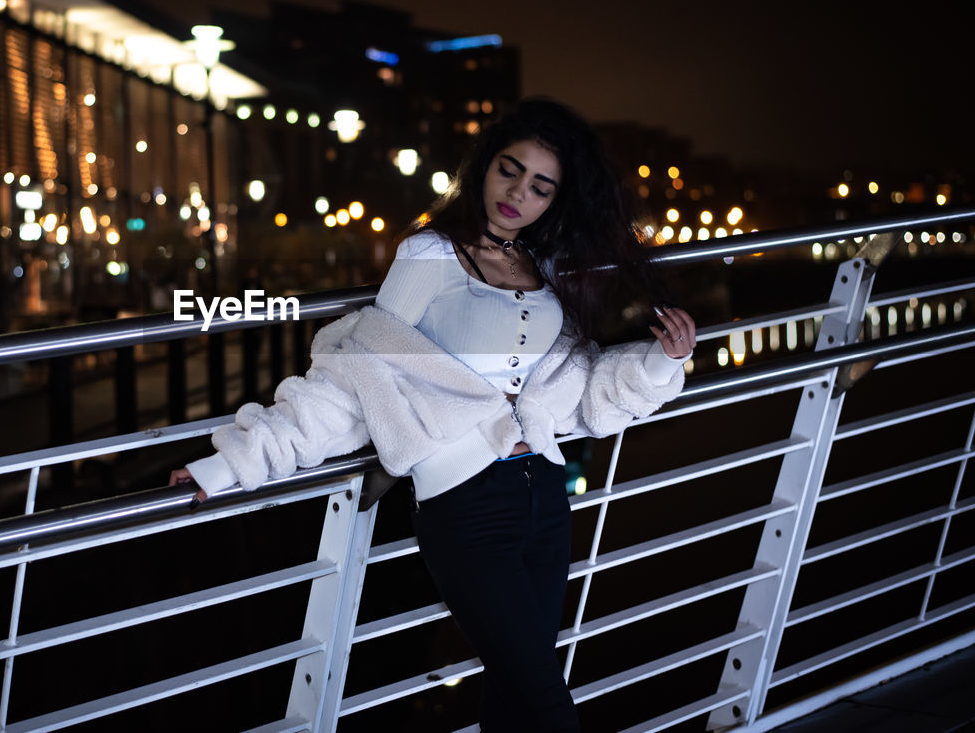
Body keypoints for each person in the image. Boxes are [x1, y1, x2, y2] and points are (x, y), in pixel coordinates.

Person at [170, 97, 696, 731]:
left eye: (539, 186)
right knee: (546, 703)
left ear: (554, 200)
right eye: (509, 170)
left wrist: (664, 362)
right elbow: (354, 379)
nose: (517, 194)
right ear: (483, 167)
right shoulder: (429, 255)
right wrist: (232, 463)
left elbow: (574, 390)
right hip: (466, 506)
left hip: (544, 497)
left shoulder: (542, 266)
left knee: (516, 694)